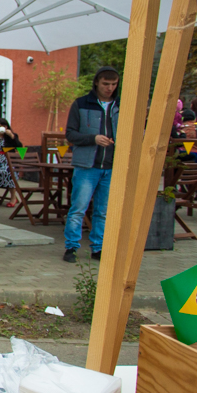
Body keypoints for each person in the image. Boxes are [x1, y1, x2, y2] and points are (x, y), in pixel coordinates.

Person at [63, 66, 120, 263]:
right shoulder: (81, 104)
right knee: (78, 208)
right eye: (106, 84)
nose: (110, 88)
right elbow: (70, 134)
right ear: (97, 82)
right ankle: (71, 247)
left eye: (113, 84)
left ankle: (99, 248)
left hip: (111, 166)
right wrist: (93, 138)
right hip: (86, 166)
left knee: (102, 211)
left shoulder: (121, 105)